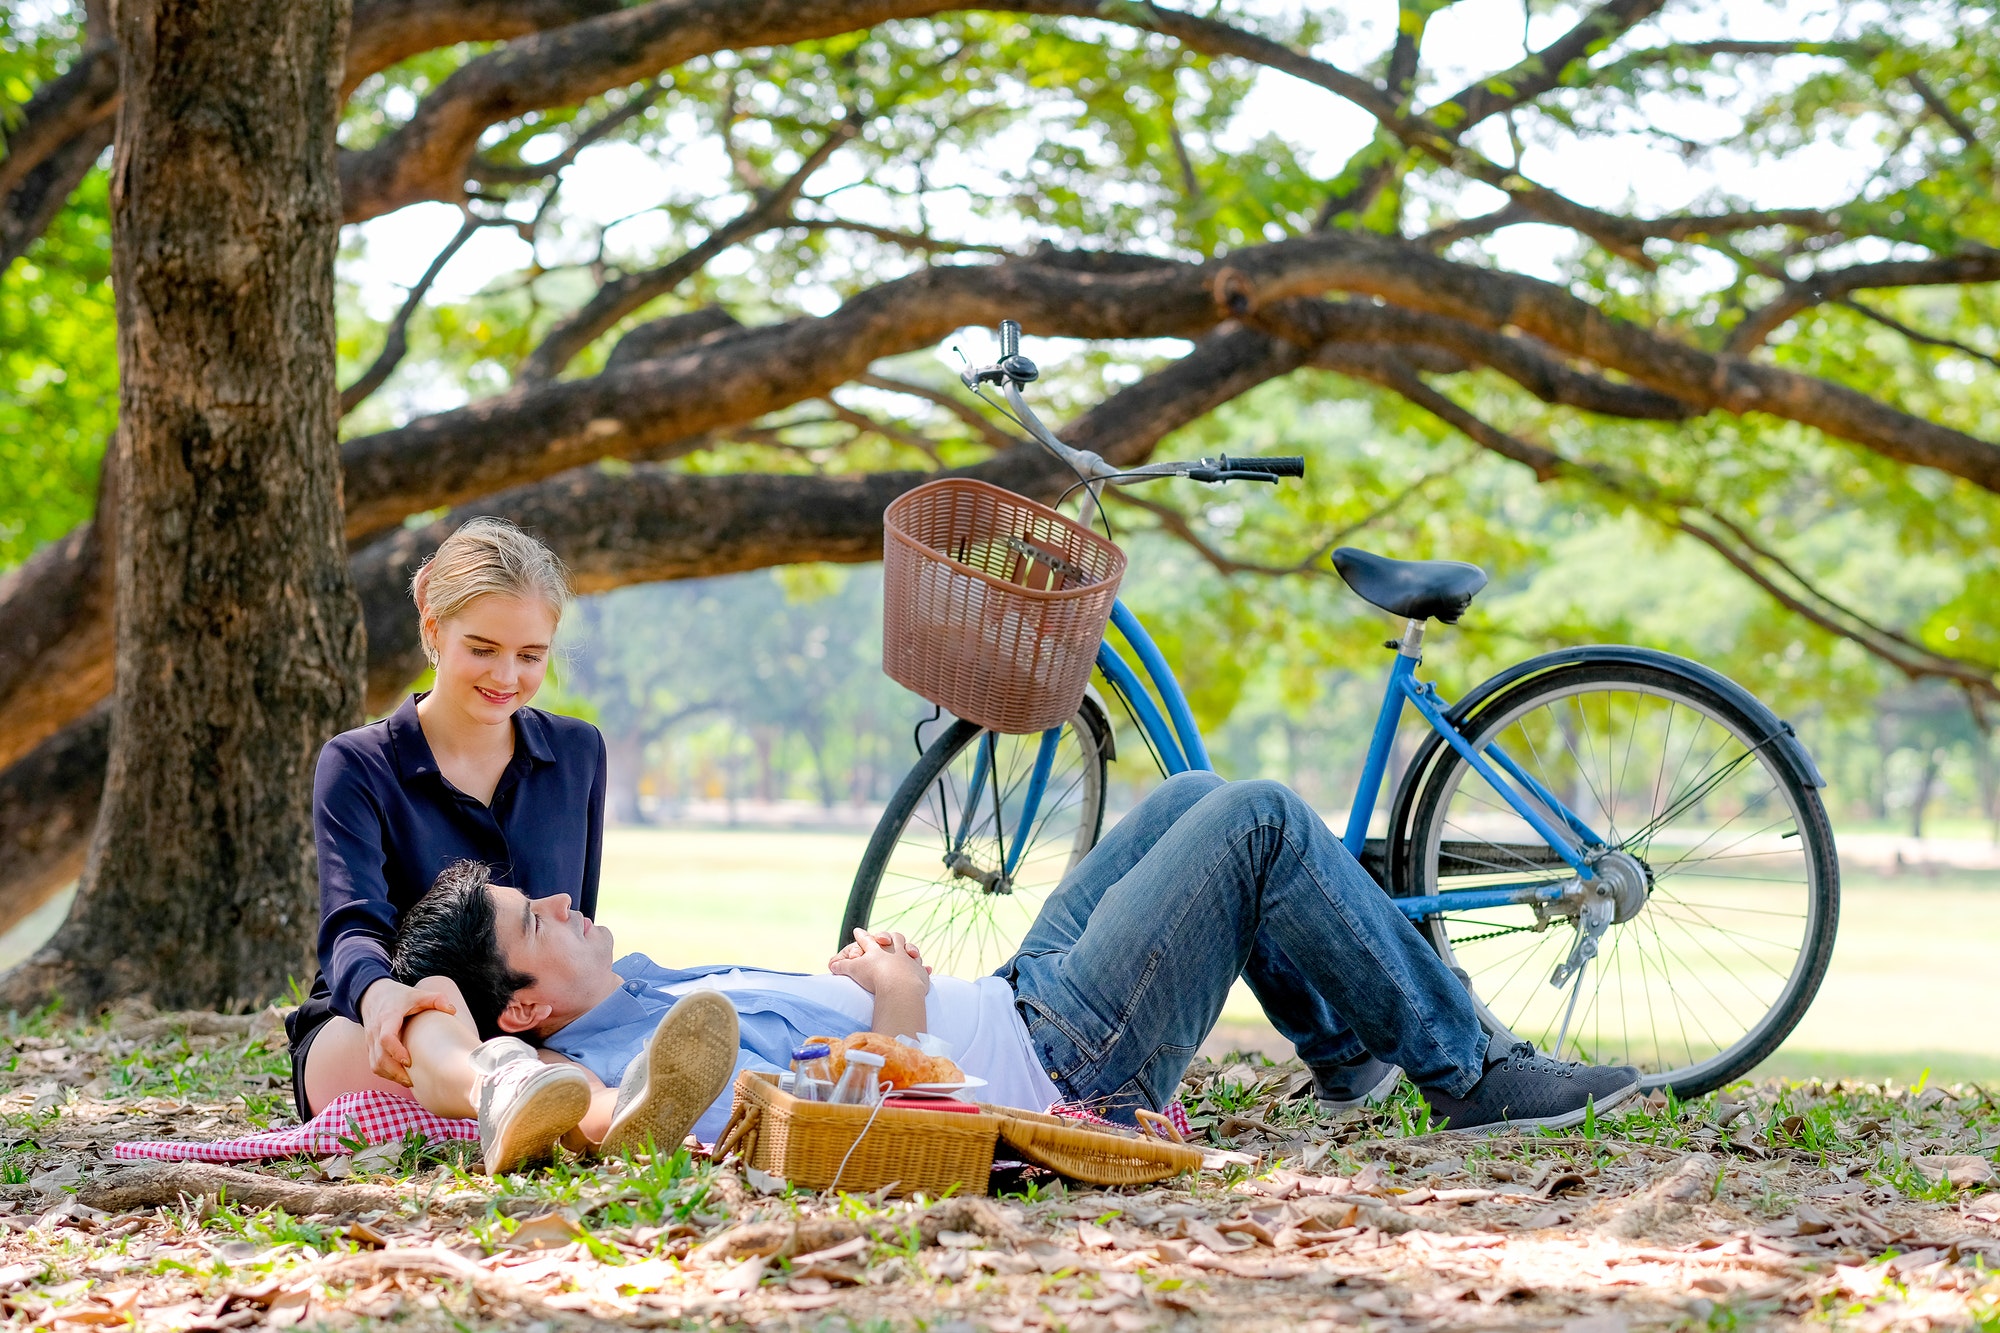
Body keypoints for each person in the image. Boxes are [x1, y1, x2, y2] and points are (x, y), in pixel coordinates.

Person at [391, 771, 1643, 1171]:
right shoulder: (650, 1059)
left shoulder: (644, 984)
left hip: (1025, 993)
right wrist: (890, 998)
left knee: (1189, 796)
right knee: (1254, 816)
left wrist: (858, 972)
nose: (562, 899)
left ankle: (1342, 1049)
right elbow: (851, 1125)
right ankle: (1468, 1070)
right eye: (534, 915)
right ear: (529, 1004)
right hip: (1065, 1058)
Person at [287, 517, 608, 1127]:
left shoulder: (578, 751)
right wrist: (382, 996)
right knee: (434, 1012)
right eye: (482, 650)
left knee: (588, 1074)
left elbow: (575, 916)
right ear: (434, 629)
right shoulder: (359, 762)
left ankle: (564, 1107)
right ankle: (508, 1096)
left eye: (530, 655)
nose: (507, 677)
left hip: (528, 1030)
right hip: (384, 1029)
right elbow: (351, 926)